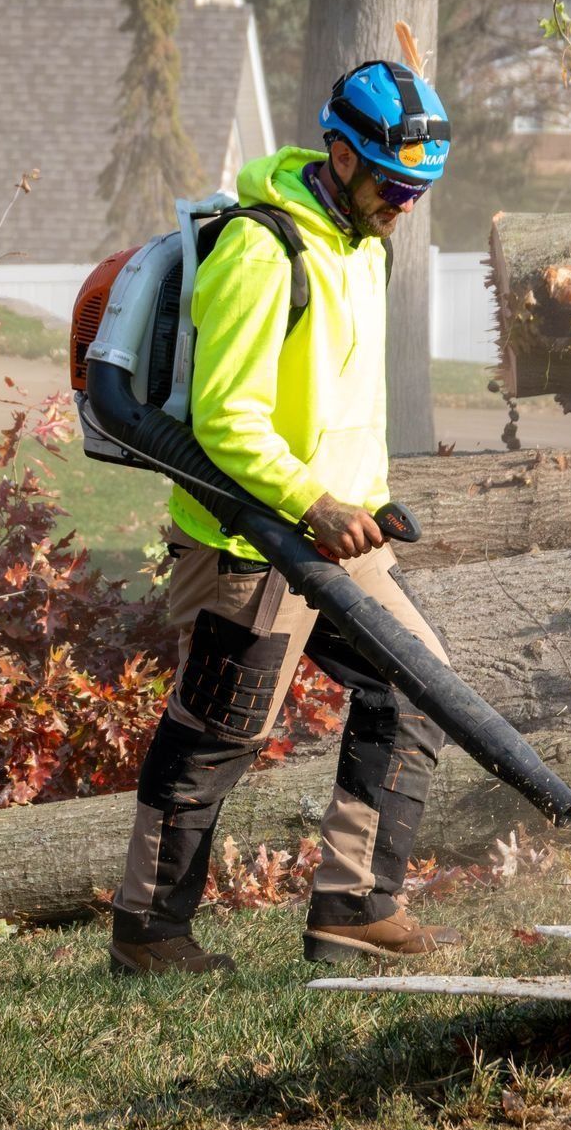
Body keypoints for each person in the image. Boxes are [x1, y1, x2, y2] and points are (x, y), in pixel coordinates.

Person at [108, 60, 459, 976]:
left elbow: (336, 394)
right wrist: (312, 501)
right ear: (340, 155)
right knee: (218, 733)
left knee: (418, 688)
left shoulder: (363, 243)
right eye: (394, 183)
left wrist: (362, 497)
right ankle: (149, 932)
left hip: (340, 537)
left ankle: (355, 909)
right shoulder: (264, 253)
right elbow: (227, 418)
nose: (407, 203)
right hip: (248, 540)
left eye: (421, 188)